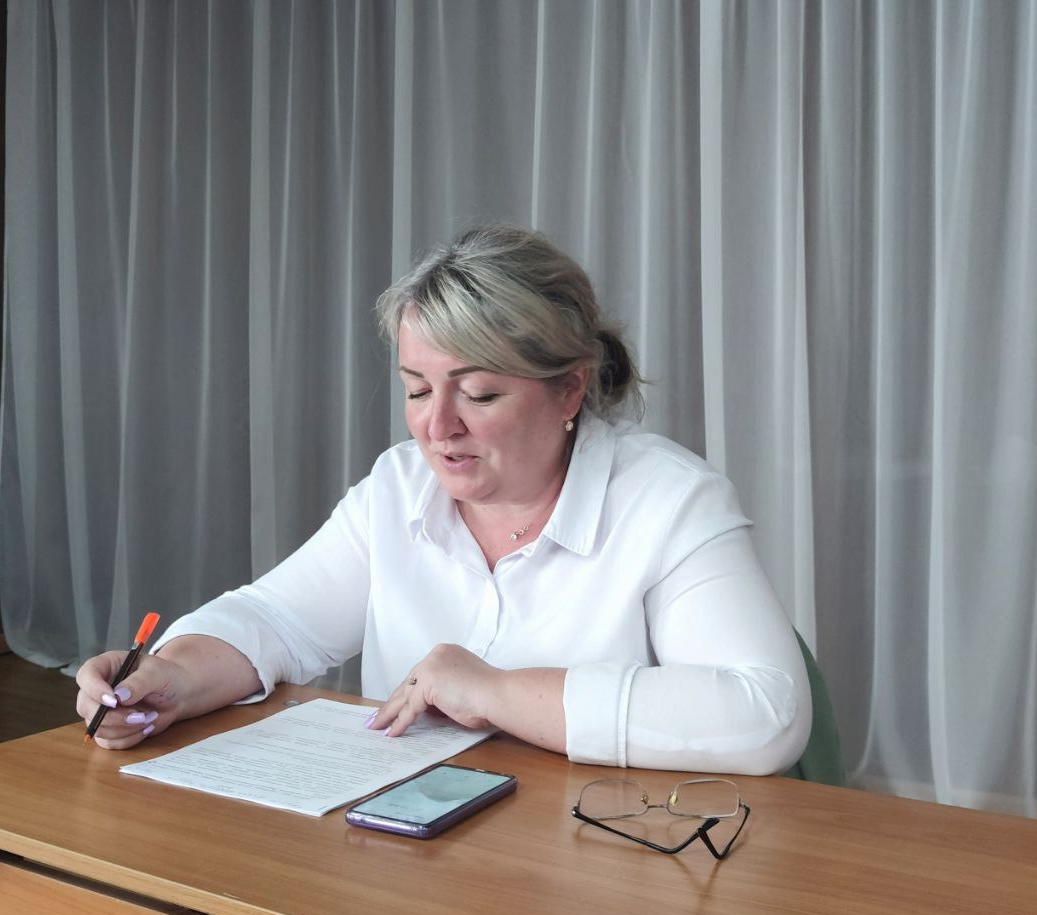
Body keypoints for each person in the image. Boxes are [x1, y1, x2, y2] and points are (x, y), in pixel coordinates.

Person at [75, 224, 812, 774]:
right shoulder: (399, 487)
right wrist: (170, 677)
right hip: (411, 858)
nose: (438, 426)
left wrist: (494, 691)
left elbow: (766, 713)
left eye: (480, 393)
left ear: (570, 389)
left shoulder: (670, 502)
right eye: (417, 389)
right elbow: (276, 620)